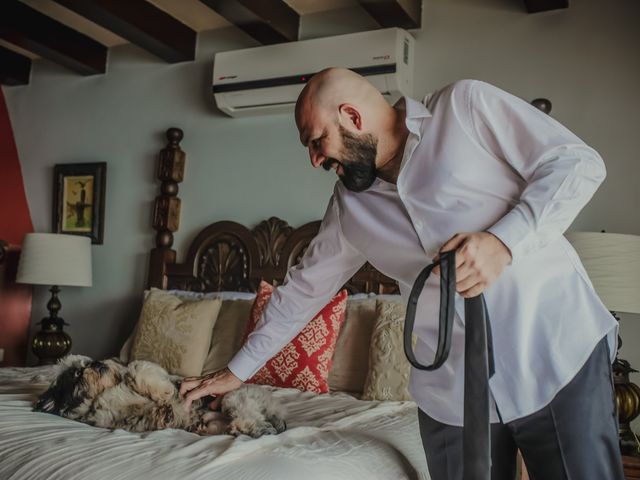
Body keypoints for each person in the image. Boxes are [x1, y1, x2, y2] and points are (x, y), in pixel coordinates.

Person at [180, 68, 623, 479]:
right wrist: (236, 372)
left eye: (316, 141)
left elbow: (577, 163)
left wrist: (504, 240)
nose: (314, 160)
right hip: (451, 396)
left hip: (558, 357)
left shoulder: (466, 107)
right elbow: (302, 293)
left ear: (352, 117)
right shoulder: (349, 208)